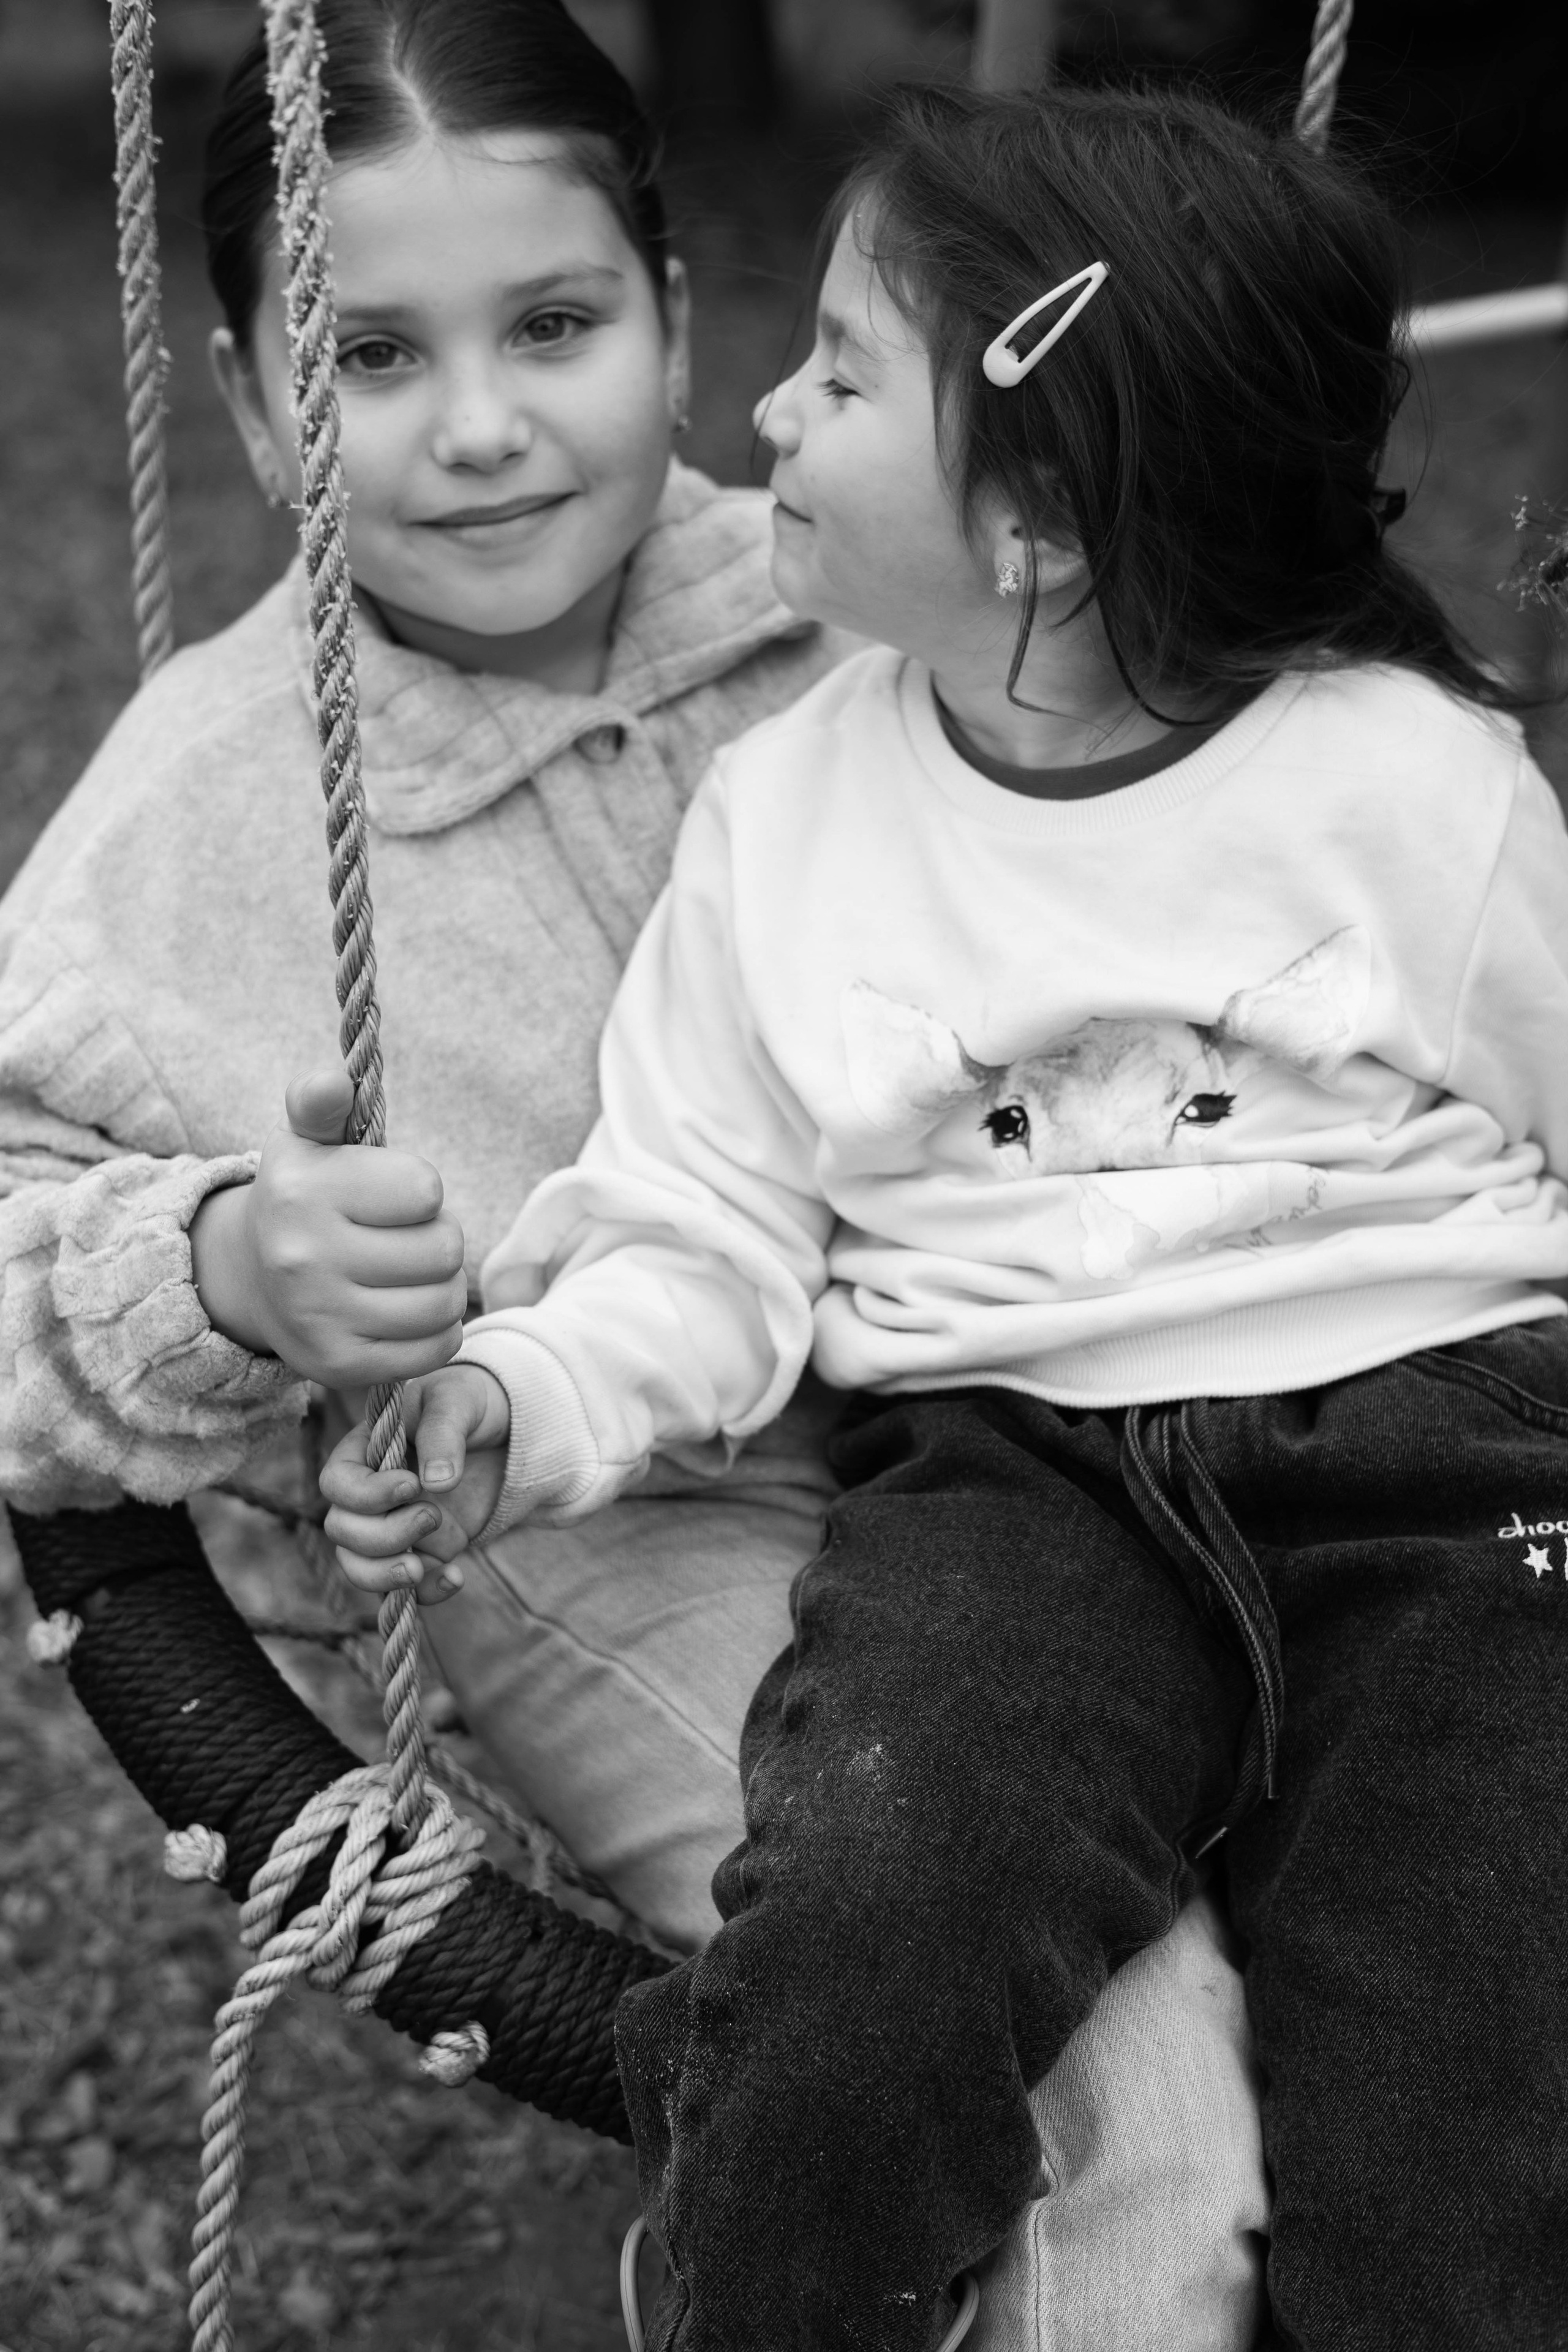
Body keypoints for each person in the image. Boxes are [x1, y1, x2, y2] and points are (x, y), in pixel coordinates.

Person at [0, 10, 1267, 2348]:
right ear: (258, 393)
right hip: (608, 1518)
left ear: (685, 312)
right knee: (1113, 2055)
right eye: (372, 354)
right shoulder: (208, 820)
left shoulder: (894, 609)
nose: (477, 427)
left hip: (1069, 1440)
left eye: (557, 324)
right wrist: (223, 1266)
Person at [323, 75, 1568, 2352]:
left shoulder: (1409, 785)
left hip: (1449, 1466)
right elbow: (703, 1216)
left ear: (1043, 519)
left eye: (839, 369)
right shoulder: (789, 814)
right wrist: (531, 1387)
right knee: (873, 1937)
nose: (768, 408)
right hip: (1022, 1488)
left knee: (1466, 2087)